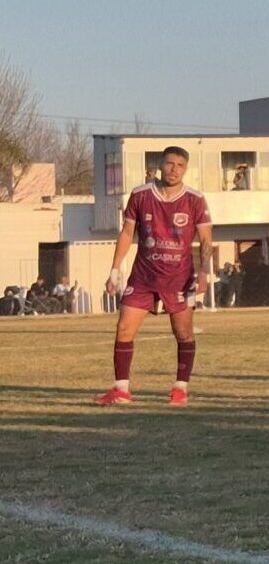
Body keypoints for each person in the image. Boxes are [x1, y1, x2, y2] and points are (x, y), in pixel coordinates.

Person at [94, 146, 213, 407]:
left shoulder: (195, 199)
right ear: (161, 164)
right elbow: (127, 233)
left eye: (180, 165)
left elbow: (205, 239)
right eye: (170, 164)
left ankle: (180, 388)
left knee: (183, 333)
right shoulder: (140, 194)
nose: (174, 169)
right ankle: (121, 389)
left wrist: (203, 271)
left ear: (186, 168)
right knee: (124, 328)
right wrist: (114, 270)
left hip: (179, 278)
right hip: (143, 277)